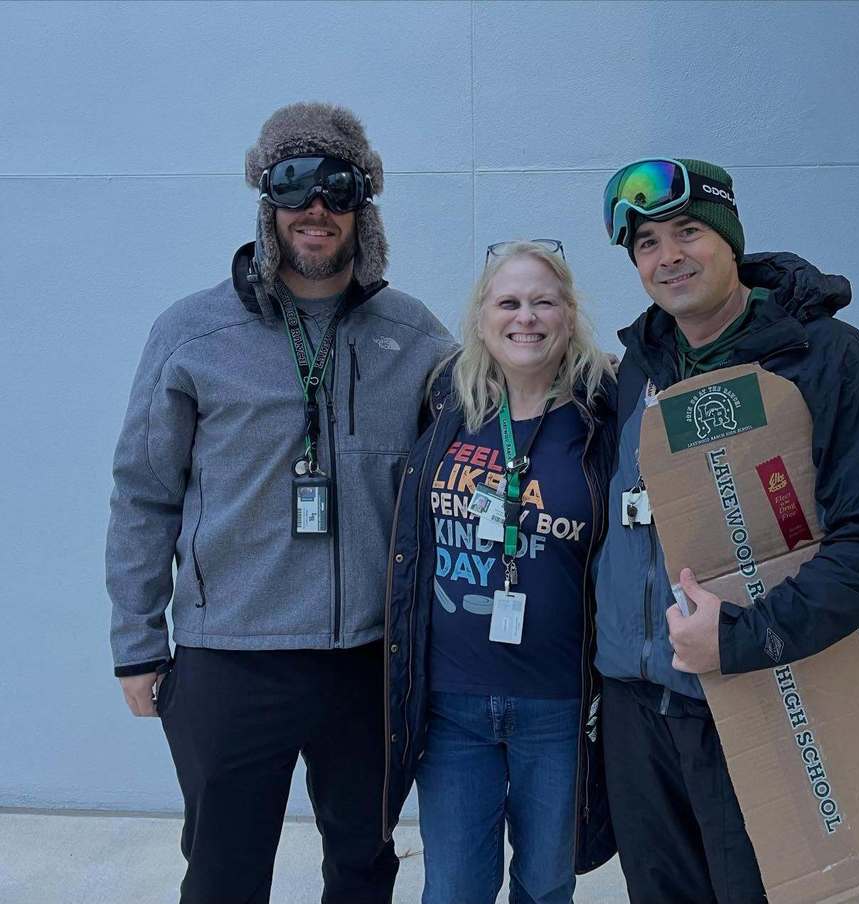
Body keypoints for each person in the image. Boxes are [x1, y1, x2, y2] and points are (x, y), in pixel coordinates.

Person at [106, 102, 455, 904]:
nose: (316, 209)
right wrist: (136, 640)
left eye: (338, 186)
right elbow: (142, 493)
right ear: (267, 198)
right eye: (293, 183)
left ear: (363, 202)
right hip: (228, 657)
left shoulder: (415, 334)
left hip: (368, 662)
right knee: (225, 872)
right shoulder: (192, 334)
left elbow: (495, 416)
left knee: (365, 866)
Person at [594, 157, 859, 903]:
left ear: (729, 238)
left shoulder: (824, 359)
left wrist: (742, 638)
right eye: (646, 243)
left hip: (754, 697)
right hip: (636, 706)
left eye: (687, 232)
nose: (668, 255)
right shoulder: (641, 363)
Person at [382, 241, 617, 904]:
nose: (527, 317)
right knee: (454, 889)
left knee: (546, 886)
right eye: (509, 302)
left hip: (559, 703)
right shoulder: (444, 404)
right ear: (482, 318)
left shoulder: (603, 413)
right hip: (451, 701)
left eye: (544, 302)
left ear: (569, 316)